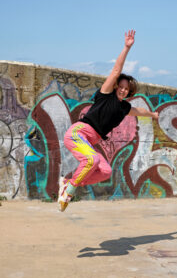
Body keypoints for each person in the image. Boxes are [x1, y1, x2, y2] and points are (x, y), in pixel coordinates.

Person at [58, 30, 159, 212]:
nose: (122, 90)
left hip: (89, 140)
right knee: (92, 159)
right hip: (78, 133)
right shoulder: (105, 95)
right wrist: (126, 48)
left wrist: (153, 115)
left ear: (129, 92)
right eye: (120, 87)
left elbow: (139, 111)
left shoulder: (123, 108)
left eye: (126, 89)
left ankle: (68, 182)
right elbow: (116, 70)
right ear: (115, 87)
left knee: (105, 171)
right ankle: (69, 190)